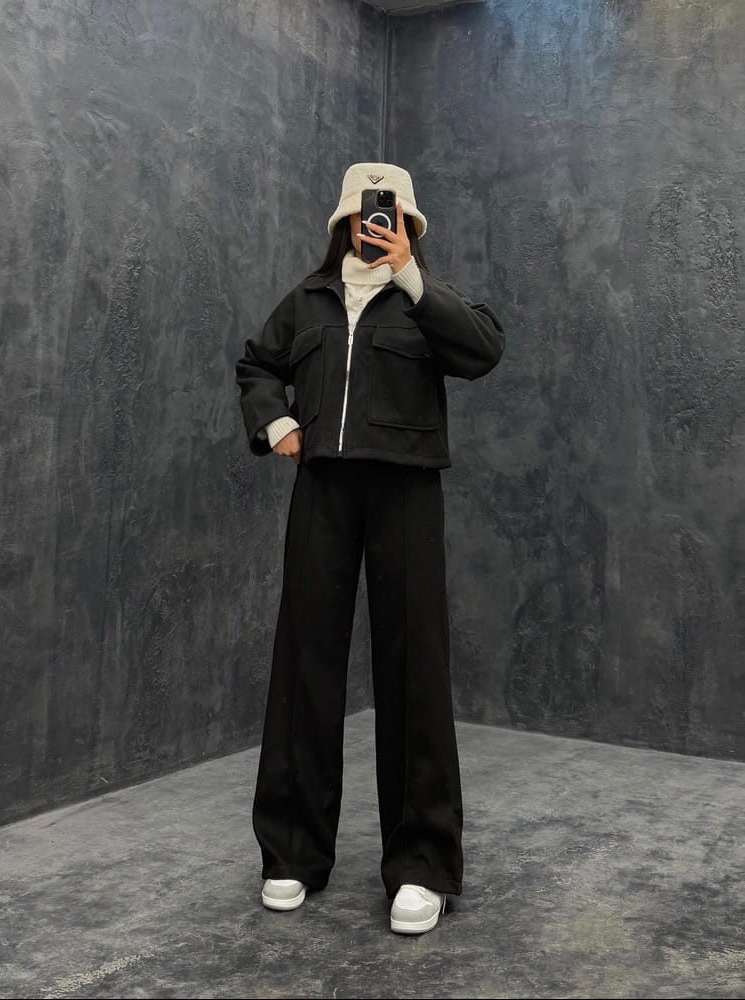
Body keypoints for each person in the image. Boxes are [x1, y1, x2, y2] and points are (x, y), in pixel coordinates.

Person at [235, 162, 505, 935]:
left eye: (387, 215)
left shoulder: (425, 298)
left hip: (406, 490)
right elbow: (257, 364)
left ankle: (422, 863)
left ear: (408, 225)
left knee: (415, 665)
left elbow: (484, 349)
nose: (373, 225)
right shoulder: (310, 299)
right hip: (323, 487)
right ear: (342, 224)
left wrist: (412, 278)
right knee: (305, 661)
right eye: (361, 214)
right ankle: (292, 851)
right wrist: (276, 421)